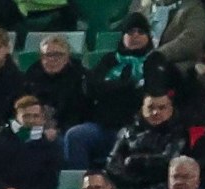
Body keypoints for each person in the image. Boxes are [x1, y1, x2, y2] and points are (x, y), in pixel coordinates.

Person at [66, 15, 176, 169]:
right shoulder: (109, 60)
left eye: (140, 32)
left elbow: (149, 94)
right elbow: (91, 88)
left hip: (138, 130)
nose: (135, 36)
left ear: (149, 37)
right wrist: (127, 87)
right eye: (130, 32)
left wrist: (111, 88)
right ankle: (83, 182)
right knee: (75, 136)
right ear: (123, 36)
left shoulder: (156, 61)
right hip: (103, 127)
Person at [106, 91, 189, 189]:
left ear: (171, 109)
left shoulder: (178, 133)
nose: (155, 112)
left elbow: (170, 162)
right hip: (128, 188)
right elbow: (112, 163)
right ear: (143, 109)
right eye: (150, 108)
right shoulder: (127, 132)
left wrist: (135, 161)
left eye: (162, 108)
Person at [24, 36, 90, 133]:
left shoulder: (79, 75)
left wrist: (57, 129)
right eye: (48, 55)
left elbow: (79, 111)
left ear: (67, 57)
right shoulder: (33, 74)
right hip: (36, 125)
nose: (52, 59)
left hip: (69, 127)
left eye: (58, 55)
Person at [125, 0, 205, 71]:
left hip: (174, 67)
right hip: (139, 64)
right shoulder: (146, 7)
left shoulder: (193, 8)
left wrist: (159, 54)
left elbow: (192, 39)